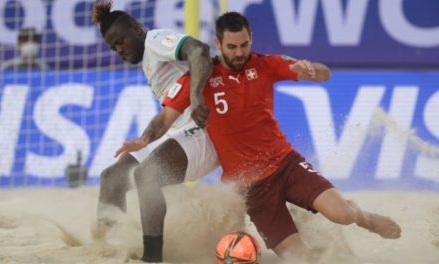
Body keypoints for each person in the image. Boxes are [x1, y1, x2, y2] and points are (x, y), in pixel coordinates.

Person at [127, 11, 402, 262]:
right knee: (299, 258)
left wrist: (313, 70)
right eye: (232, 47)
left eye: (244, 45)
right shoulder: (201, 78)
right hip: (251, 190)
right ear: (218, 43)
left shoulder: (265, 64)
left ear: (251, 40)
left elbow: (324, 74)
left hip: (286, 165)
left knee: (341, 215)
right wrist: (144, 140)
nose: (239, 53)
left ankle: (365, 218)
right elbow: (165, 118)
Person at [91, 1, 221, 262]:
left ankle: (152, 257)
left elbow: (199, 50)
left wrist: (195, 98)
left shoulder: (155, 40)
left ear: (136, 28)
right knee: (112, 178)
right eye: (113, 46)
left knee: (147, 176)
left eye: (121, 41)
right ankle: (109, 249)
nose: (119, 49)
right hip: (181, 131)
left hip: (206, 131)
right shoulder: (148, 60)